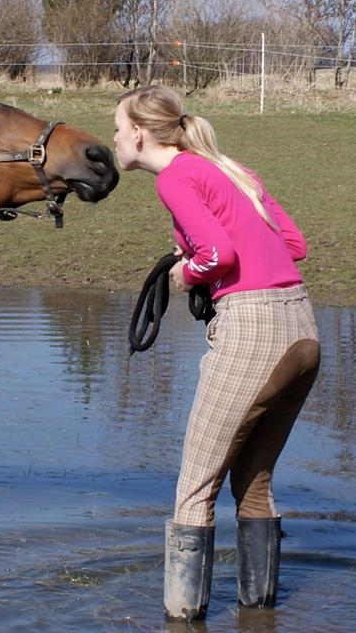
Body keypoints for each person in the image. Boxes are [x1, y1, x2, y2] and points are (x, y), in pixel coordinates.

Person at [112, 85, 320, 622]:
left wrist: (185, 272)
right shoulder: (230, 168)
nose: (113, 139)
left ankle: (181, 618)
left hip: (253, 329)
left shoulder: (177, 176)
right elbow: (293, 245)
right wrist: (208, 246)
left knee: (193, 491)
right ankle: (260, 614)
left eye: (116, 129)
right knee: (252, 484)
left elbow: (218, 253)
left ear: (138, 132)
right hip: (302, 329)